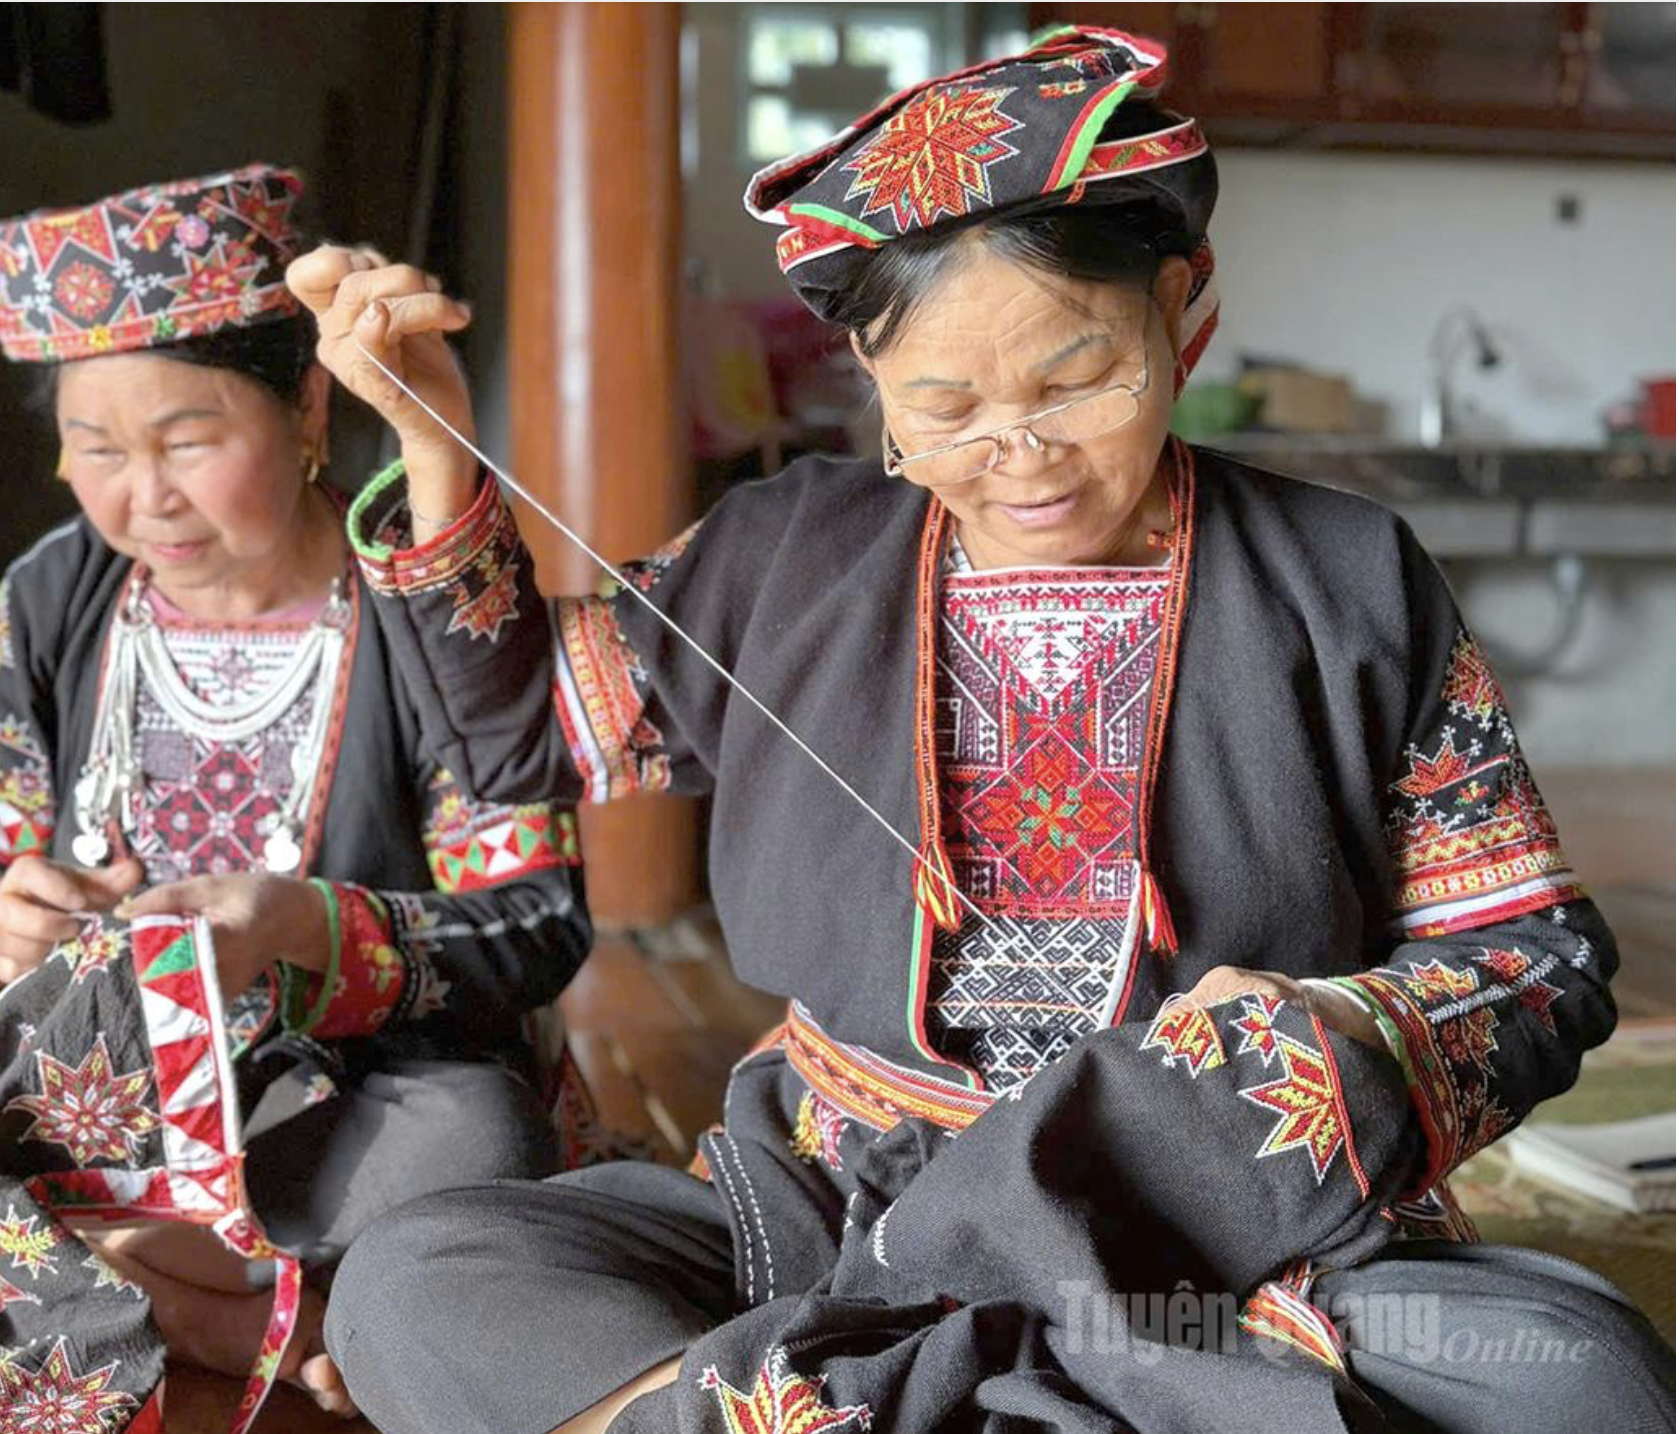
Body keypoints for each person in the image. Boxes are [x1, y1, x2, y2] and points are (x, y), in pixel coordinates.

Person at [297, 29, 1673, 1434]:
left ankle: (823, 1400)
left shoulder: (1344, 572)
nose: (1016, 455)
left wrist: (1317, 1025)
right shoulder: (783, 553)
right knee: (424, 1272)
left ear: (1181, 312)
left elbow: (1529, 958)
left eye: (1077, 382)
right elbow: (525, 735)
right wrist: (435, 445)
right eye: (941, 407)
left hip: (1213, 1239)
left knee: (1580, 1378)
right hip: (841, 1202)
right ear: (869, 375)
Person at [0, 165, 592, 1427]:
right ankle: (207, 1314)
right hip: (74, 1110)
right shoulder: (54, 594)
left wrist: (299, 929)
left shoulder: (420, 601)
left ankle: (40, 1289)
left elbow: (534, 915)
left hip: (338, 1102)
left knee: (472, 1159)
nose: (145, 496)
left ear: (304, 408)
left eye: (189, 440)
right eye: (95, 449)